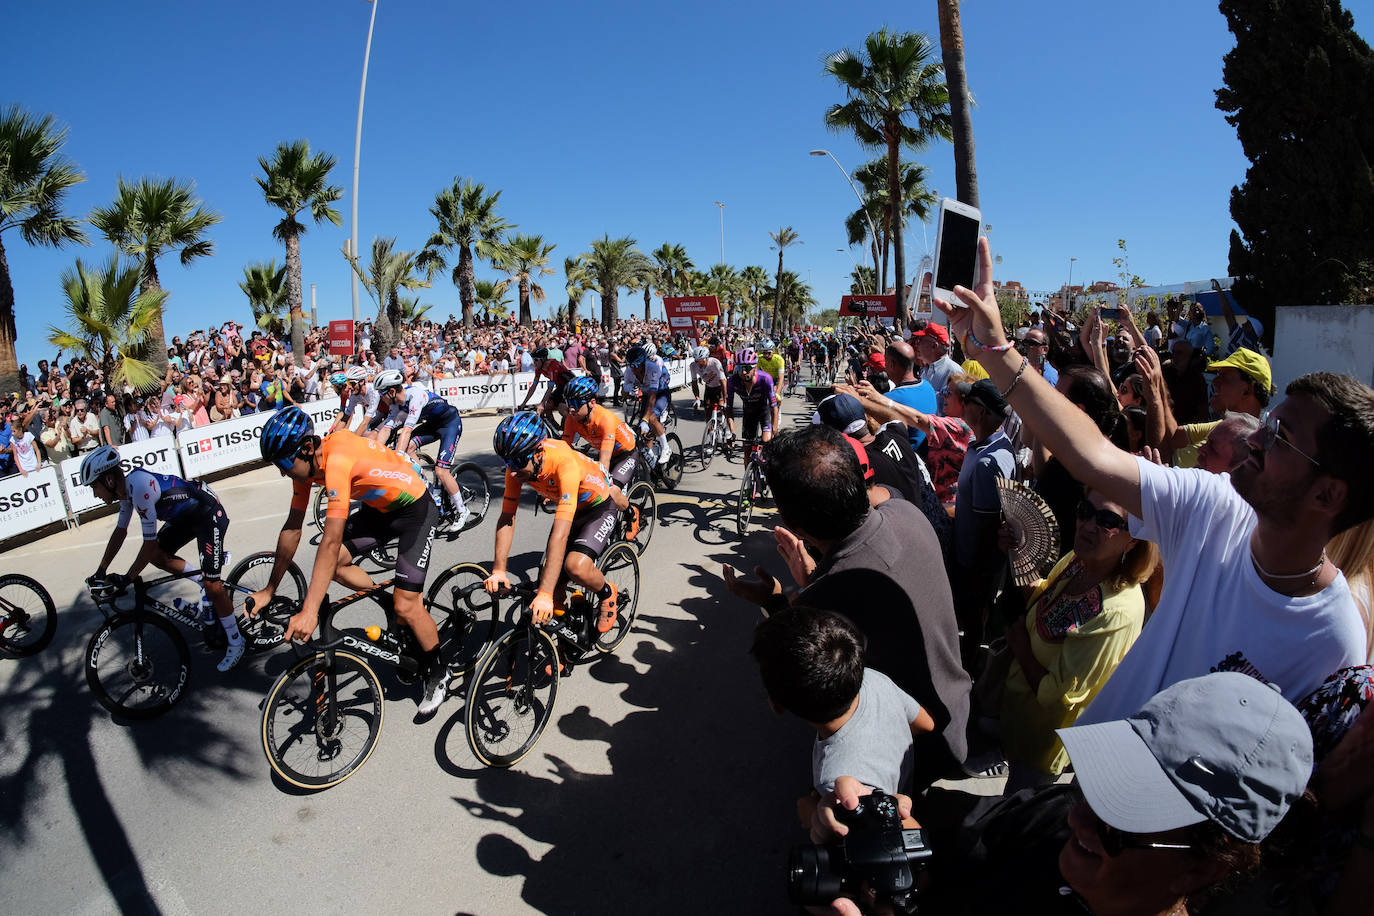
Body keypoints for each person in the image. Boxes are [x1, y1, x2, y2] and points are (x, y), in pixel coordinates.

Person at [936, 236, 1370, 720]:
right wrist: (995, 351)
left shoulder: (1333, 641)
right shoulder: (1214, 507)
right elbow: (1093, 455)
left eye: (1280, 437)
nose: (1256, 441)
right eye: (1267, 426)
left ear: (1328, 494)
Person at [722, 424, 972, 787]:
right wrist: (816, 577)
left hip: (905, 753)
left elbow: (805, 660)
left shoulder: (826, 595)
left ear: (791, 524)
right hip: (956, 710)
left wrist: (775, 598)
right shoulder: (906, 513)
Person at [251, 407, 450, 715]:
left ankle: (439, 671)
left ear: (307, 448)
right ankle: (388, 603)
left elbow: (330, 541)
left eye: (284, 464)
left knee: (408, 605)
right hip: (380, 510)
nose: (282, 472)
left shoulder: (338, 459)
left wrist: (310, 612)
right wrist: (269, 589)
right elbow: (292, 529)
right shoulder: (306, 466)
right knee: (337, 567)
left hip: (415, 510)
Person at [996, 488, 1158, 794]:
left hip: (1042, 741)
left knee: (1018, 809)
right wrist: (1018, 552)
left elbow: (1058, 695)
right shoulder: (1080, 561)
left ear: (1134, 539)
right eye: (1085, 511)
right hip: (1019, 718)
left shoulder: (1117, 610)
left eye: (1107, 520)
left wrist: (1022, 648)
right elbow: (1043, 596)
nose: (1088, 525)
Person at [79, 445, 243, 671]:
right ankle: (202, 583)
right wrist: (101, 570)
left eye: (94, 487)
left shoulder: (139, 488)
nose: (95, 493)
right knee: (158, 555)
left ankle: (236, 642)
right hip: (185, 518)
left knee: (213, 586)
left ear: (108, 480)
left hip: (208, 513)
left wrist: (128, 578)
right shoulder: (125, 492)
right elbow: (120, 532)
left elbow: (147, 544)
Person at [750, 605, 935, 799]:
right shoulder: (872, 678)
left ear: (776, 706)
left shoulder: (834, 784)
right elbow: (926, 724)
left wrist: (810, 811)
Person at [484, 412, 637, 634]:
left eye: (517, 461)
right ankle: (565, 640)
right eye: (506, 462)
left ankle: (607, 593)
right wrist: (499, 570)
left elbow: (560, 533)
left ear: (538, 453)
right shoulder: (516, 469)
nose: (512, 470)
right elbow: (507, 518)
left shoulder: (564, 464)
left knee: (575, 567)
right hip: (574, 508)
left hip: (599, 508)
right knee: (551, 587)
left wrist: (544, 594)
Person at [951, 378, 1017, 668]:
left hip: (975, 564)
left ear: (981, 411)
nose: (963, 404)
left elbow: (988, 528)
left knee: (973, 620)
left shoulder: (987, 463)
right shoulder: (988, 445)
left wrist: (976, 576)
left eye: (968, 401)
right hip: (972, 560)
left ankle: (968, 669)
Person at [372, 369, 469, 527]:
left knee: (441, 471)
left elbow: (407, 431)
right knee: (408, 449)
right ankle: (427, 485)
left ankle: (462, 510)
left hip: (450, 424)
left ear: (391, 392)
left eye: (381, 393)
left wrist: (398, 457)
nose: (380, 398)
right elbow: (385, 429)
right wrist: (374, 452)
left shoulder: (415, 396)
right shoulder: (396, 404)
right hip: (432, 425)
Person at [560, 375, 637, 486]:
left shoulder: (605, 419)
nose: (571, 409)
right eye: (569, 403)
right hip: (606, 453)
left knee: (612, 490)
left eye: (576, 404)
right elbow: (563, 450)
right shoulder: (571, 419)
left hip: (625, 454)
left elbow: (604, 461)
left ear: (592, 403)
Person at [881, 338, 938, 451]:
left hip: (910, 458)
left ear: (891, 364)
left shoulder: (887, 400)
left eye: (886, 363)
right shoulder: (928, 386)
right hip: (930, 454)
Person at [623, 343, 674, 464]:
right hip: (646, 395)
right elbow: (624, 392)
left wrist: (645, 420)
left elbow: (653, 396)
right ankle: (651, 459)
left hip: (660, 393)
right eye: (630, 365)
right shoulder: (629, 371)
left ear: (643, 363)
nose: (633, 369)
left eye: (635, 366)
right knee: (644, 431)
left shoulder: (653, 368)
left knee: (651, 418)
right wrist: (628, 389)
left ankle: (666, 448)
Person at [723, 347, 779, 447]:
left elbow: (774, 407)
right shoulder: (732, 381)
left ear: (755, 367)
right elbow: (729, 408)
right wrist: (732, 431)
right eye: (740, 368)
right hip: (749, 413)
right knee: (747, 448)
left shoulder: (765, 379)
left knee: (767, 443)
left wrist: (774, 430)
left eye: (748, 368)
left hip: (764, 411)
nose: (744, 372)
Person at [910, 323, 962, 414]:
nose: (917, 345)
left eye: (920, 341)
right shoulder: (925, 369)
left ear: (934, 346)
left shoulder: (954, 372)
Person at [688, 346, 725, 414]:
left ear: (707, 358)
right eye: (697, 361)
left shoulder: (715, 363)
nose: (699, 363)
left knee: (723, 408)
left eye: (701, 361)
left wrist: (724, 399)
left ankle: (727, 419)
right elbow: (694, 383)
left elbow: (723, 381)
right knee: (707, 411)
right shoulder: (693, 366)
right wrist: (697, 398)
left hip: (720, 387)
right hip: (709, 387)